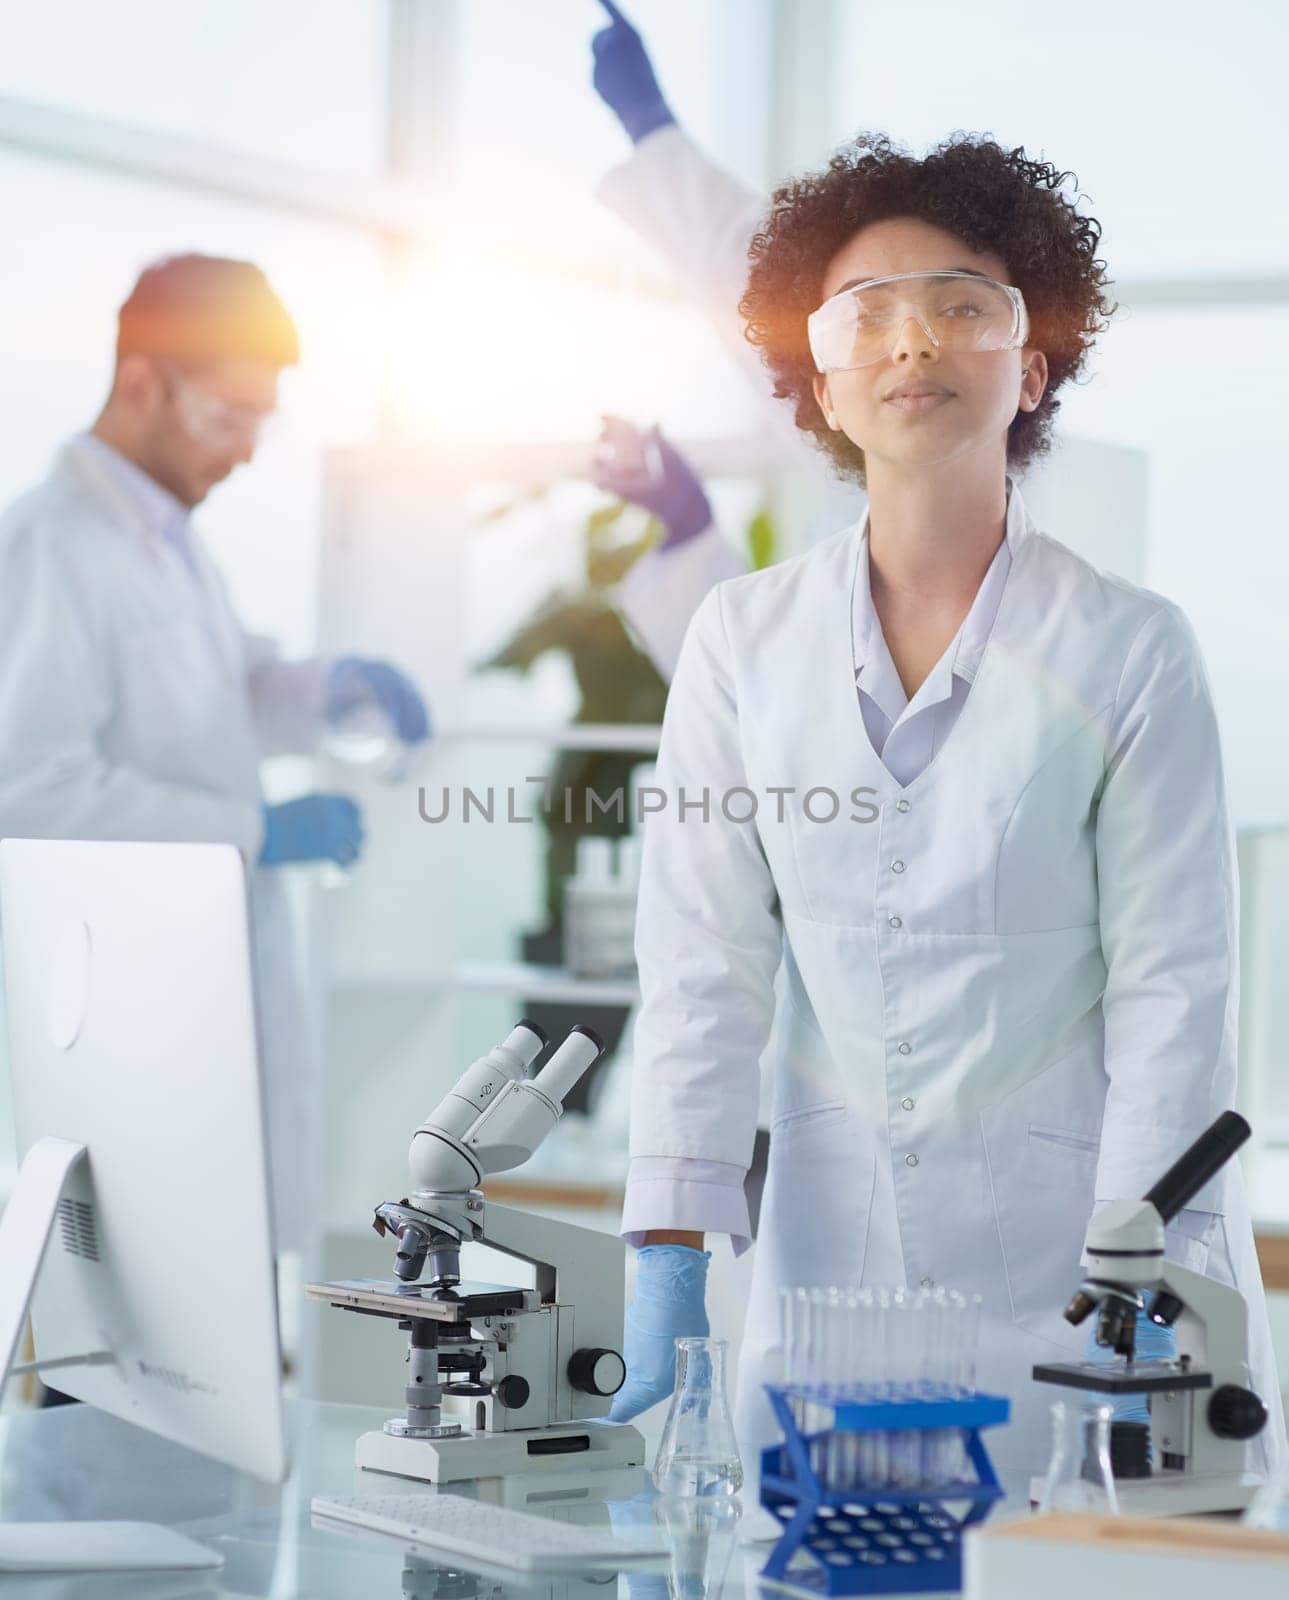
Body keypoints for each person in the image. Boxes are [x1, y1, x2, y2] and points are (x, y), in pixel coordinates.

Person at [597, 125, 1285, 1489]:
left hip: (1086, 1286)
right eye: (870, 317)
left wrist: (1141, 1256)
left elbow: (1173, 988)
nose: (914, 342)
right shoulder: (742, 641)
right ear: (822, 385)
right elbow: (701, 972)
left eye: (962, 307)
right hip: (825, 1289)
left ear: (1029, 368)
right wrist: (670, 1251)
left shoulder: (1128, 647)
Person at [0, 254, 429, 1244]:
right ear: (143, 381)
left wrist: (324, 688)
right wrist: (251, 830)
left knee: (196, 1330)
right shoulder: (51, 547)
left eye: (260, 421)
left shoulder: (167, 540)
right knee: (110, 1341)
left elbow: (221, 693)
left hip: (194, 1005)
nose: (244, 451)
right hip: (118, 1009)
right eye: (226, 415)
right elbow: (28, 787)